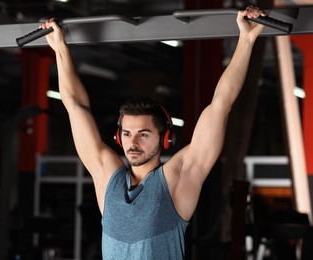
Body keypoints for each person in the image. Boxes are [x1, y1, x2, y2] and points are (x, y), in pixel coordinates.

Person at [41, 5, 266, 259]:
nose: (132, 142)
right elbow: (75, 106)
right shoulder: (107, 178)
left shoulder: (177, 179)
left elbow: (221, 104)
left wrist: (246, 39)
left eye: (143, 134)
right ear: (118, 136)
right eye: (126, 133)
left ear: (166, 138)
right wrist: (60, 48)